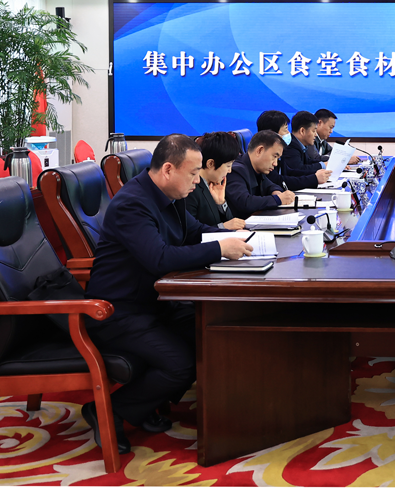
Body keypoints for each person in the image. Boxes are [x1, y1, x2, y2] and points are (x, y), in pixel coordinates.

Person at [84, 134, 256, 453]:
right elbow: (159, 258)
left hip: (156, 302)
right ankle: (110, 410)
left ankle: (149, 403)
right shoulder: (133, 204)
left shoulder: (169, 194)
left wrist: (235, 238)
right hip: (118, 313)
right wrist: (219, 249)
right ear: (168, 169)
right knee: (181, 363)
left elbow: (193, 232)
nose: (197, 181)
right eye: (193, 174)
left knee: (212, 335)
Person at [225, 130, 296, 216]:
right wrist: (278, 199)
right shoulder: (235, 170)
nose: (275, 163)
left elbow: (270, 185)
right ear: (259, 151)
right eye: (274, 156)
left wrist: (276, 191)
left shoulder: (257, 169)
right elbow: (245, 202)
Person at [185, 132, 247, 230]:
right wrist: (222, 227)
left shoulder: (214, 184)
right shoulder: (191, 190)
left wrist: (221, 203)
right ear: (210, 164)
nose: (230, 171)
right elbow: (190, 233)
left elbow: (232, 223)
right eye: (228, 166)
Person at [255, 110, 327, 191]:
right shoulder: (266, 156)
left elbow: (289, 172)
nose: (288, 133)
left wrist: (316, 175)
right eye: (285, 129)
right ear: (271, 133)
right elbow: (277, 180)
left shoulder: (278, 152)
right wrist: (313, 179)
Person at [283, 111, 334, 185]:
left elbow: (308, 162)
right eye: (313, 131)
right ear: (302, 131)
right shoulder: (290, 147)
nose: (316, 135)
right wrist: (321, 167)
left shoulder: (300, 145)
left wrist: (325, 165)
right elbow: (299, 169)